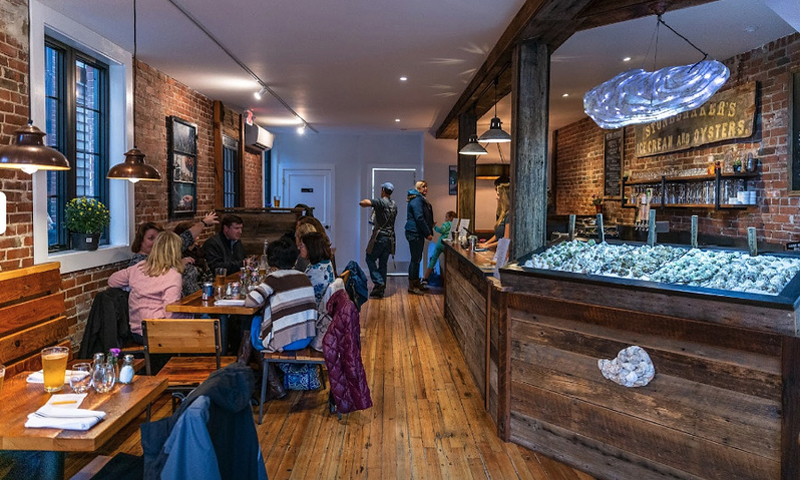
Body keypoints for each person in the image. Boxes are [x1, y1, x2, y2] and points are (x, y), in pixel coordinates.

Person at [108, 231, 187, 343]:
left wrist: (130, 286)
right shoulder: (173, 276)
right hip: (159, 333)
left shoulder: (138, 268)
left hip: (137, 332)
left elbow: (112, 280)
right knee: (205, 324)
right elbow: (170, 313)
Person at [245, 237, 317, 353]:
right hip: (306, 337)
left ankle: (255, 366)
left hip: (287, 341)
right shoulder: (303, 277)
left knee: (254, 322)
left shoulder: (274, 278)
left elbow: (251, 301)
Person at [359, 182, 397, 299]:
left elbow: (363, 203)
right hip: (390, 239)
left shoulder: (381, 202)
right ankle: (380, 290)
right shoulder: (394, 204)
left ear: (383, 190)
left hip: (380, 237)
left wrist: (370, 202)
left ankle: (379, 281)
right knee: (383, 263)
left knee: (369, 257)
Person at [404, 180, 434, 295]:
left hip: (415, 232)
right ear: (418, 188)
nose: (425, 188)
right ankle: (412, 286)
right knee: (415, 260)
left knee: (416, 259)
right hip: (414, 233)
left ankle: (416, 283)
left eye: (426, 186)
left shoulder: (418, 199)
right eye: (423, 186)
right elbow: (419, 217)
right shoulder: (417, 200)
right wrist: (427, 233)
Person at [299, 232, 335, 307]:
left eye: (301, 245)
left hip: (315, 310)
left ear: (311, 248)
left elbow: (301, 295)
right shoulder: (325, 263)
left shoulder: (316, 272)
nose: (299, 248)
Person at [422, 210, 456, 286]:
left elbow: (442, 230)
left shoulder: (447, 224)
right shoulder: (454, 226)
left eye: (446, 217)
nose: (445, 219)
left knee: (433, 260)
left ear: (451, 218)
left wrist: (435, 227)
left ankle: (425, 278)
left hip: (440, 244)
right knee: (447, 262)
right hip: (447, 245)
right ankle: (447, 280)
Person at [479, 182, 510, 249]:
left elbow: (505, 240)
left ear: (504, 197)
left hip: (503, 252)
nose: (496, 197)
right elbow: (497, 235)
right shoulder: (503, 213)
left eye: (498, 195)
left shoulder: (509, 215)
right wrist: (486, 243)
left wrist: (487, 246)